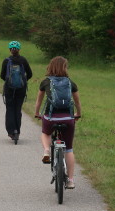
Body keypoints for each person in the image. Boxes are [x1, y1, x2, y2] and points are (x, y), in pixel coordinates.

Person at [33, 56, 82, 189]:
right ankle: (71, 180)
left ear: (51, 66)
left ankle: (47, 151)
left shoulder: (45, 82)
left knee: (45, 133)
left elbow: (38, 102)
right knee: (69, 149)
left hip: (51, 118)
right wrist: (78, 114)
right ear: (65, 68)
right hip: (67, 119)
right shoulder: (71, 83)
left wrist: (37, 113)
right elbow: (77, 102)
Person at [0, 41, 32, 142]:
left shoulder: (6, 61)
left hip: (9, 89)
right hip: (21, 90)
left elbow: (2, 75)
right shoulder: (23, 60)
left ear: (10, 50)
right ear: (19, 49)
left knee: (10, 109)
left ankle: (11, 132)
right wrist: (23, 81)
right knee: (18, 110)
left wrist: (9, 82)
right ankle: (17, 131)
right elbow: (30, 74)